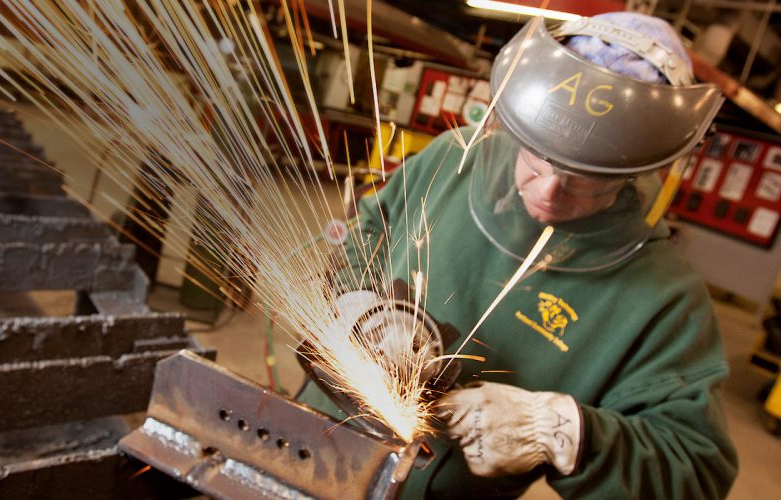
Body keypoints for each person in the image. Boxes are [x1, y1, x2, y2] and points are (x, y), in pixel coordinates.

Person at [298, 12, 737, 498]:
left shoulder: (665, 299)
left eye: (586, 177)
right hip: (303, 436)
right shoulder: (450, 163)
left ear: (633, 168)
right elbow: (362, 242)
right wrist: (359, 305)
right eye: (538, 156)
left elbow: (696, 469)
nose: (549, 191)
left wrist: (561, 434)